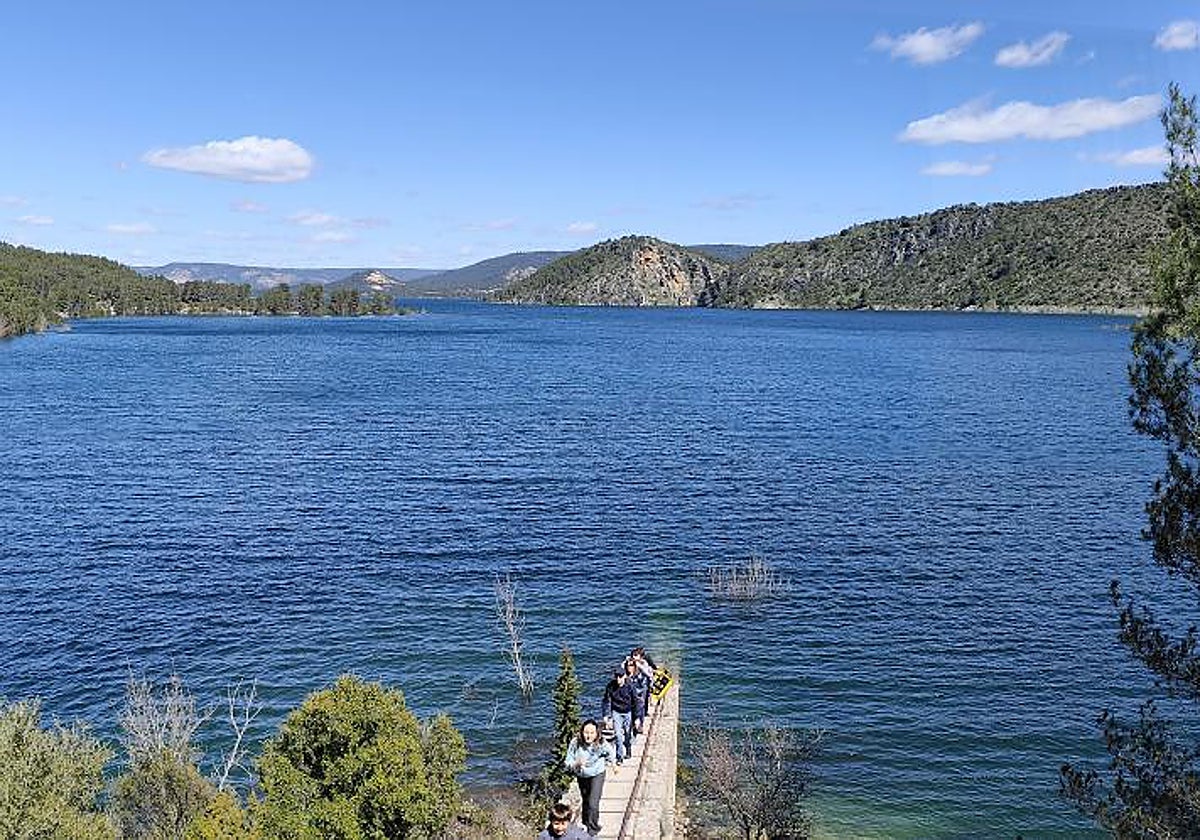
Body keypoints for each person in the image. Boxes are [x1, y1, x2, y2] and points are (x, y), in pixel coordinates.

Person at [564, 718, 615, 837]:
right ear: (582, 732)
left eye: (592, 733)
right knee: (586, 800)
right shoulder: (575, 743)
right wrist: (576, 763)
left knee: (593, 802)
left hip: (597, 773)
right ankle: (586, 822)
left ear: (597, 733)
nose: (589, 735)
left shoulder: (601, 743)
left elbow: (610, 752)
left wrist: (613, 764)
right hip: (582, 775)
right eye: (586, 732)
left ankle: (592, 830)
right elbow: (568, 761)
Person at [601, 666, 642, 764]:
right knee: (618, 735)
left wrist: (637, 718)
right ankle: (619, 757)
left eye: (620, 676)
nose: (618, 679)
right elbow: (606, 701)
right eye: (616, 676)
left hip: (628, 712)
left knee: (628, 733)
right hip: (616, 712)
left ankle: (628, 749)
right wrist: (606, 715)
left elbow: (636, 702)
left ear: (624, 676)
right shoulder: (611, 686)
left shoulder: (630, 687)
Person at [623, 657, 650, 742]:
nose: (629, 667)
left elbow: (643, 687)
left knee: (639, 710)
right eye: (628, 665)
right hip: (628, 699)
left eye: (631, 665)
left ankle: (639, 725)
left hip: (638, 697)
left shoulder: (639, 676)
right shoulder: (624, 676)